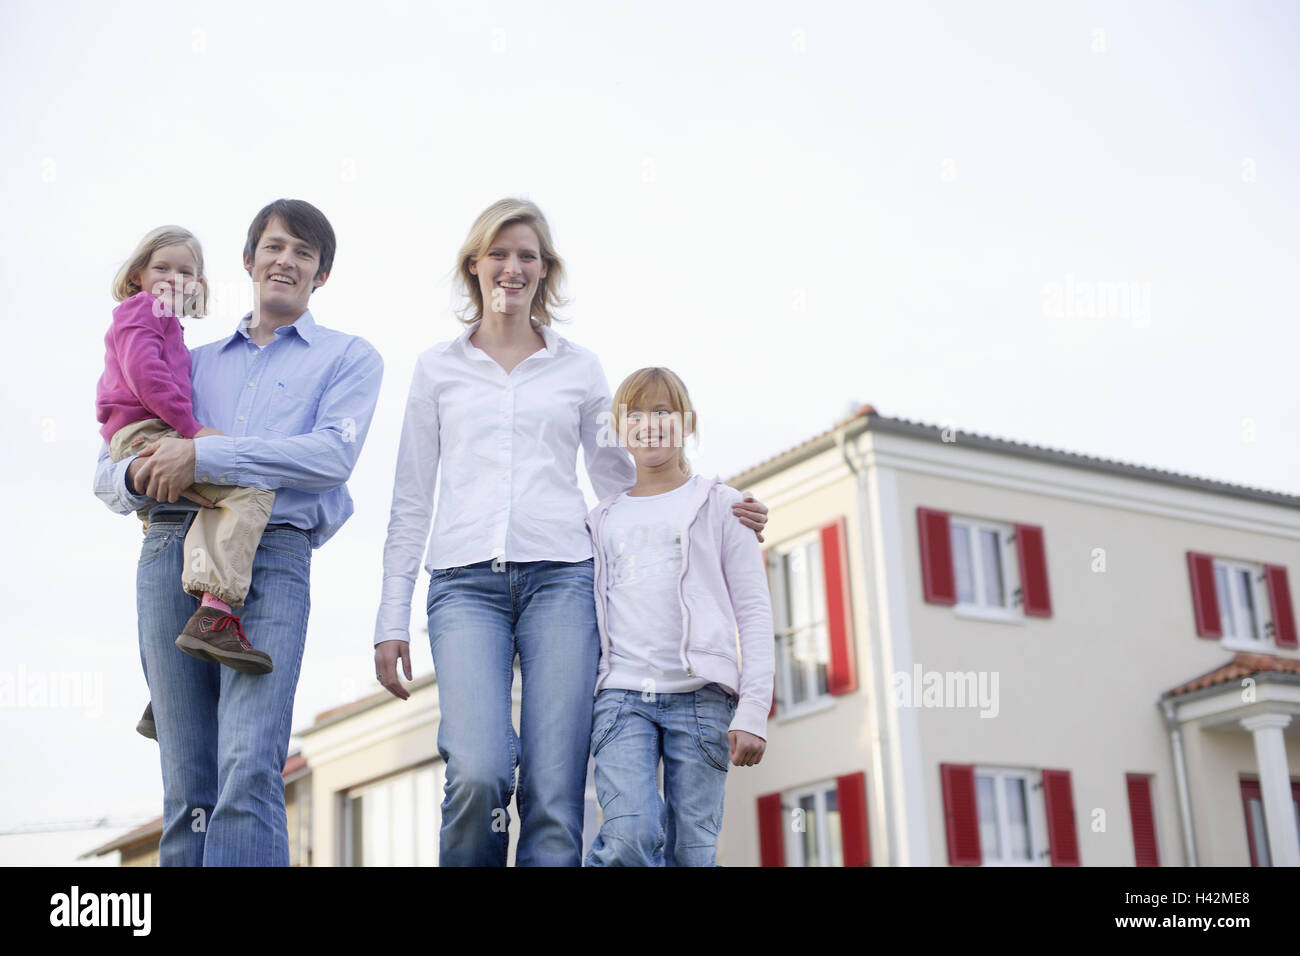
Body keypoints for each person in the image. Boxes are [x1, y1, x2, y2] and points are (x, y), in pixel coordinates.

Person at [374, 197, 768, 866]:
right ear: (474, 264)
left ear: (544, 269)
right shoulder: (436, 369)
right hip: (464, 587)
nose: (512, 266)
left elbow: (626, 480)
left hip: (563, 582)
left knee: (556, 791)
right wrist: (391, 616)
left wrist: (711, 504)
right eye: (499, 252)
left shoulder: (578, 367)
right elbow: (412, 498)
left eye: (527, 255)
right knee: (480, 769)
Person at [94, 199, 384, 865]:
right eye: (274, 246)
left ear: (321, 276)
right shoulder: (184, 361)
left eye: (303, 253)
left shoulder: (349, 358)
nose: (287, 259)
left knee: (250, 765)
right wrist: (142, 474)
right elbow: (107, 474)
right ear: (248, 261)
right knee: (187, 783)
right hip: (170, 544)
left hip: (274, 555)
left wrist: (203, 454)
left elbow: (330, 458)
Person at [584, 367, 773, 866]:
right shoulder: (599, 519)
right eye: (636, 413)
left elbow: (753, 612)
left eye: (663, 411)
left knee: (693, 851)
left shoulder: (723, 506)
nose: (650, 423)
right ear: (618, 430)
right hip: (622, 699)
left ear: (688, 423)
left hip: (702, 701)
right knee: (630, 837)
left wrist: (754, 711)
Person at [98, 226, 277, 744]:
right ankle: (215, 616)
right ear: (138, 276)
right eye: (163, 269)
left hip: (148, 430)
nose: (174, 279)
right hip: (149, 432)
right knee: (250, 489)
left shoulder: (172, 329)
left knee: (201, 511)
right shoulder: (141, 313)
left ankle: (166, 690)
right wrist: (194, 433)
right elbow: (146, 377)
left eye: (186, 271)